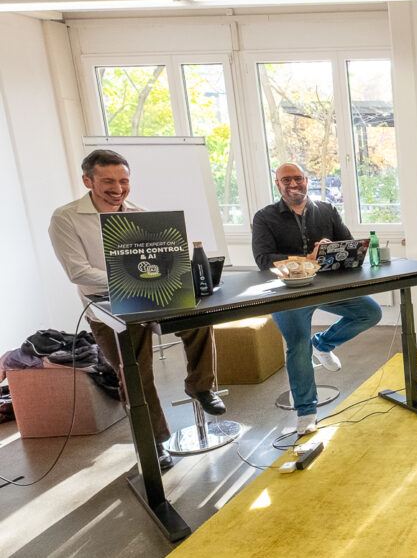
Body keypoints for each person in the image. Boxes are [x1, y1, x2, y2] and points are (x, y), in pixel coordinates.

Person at [48, 149, 226, 471]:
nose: (118, 188)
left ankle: (200, 386)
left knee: (199, 321)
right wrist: (132, 281)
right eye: (108, 181)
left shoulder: (141, 213)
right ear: (87, 180)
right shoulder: (66, 218)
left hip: (152, 298)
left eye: (124, 181)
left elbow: (159, 261)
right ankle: (155, 443)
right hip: (106, 307)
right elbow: (78, 272)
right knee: (134, 374)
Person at [252, 162, 382, 435]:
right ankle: (306, 412)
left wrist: (329, 247)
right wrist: (304, 259)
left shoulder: (327, 210)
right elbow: (263, 260)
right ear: (277, 184)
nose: (293, 184)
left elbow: (349, 246)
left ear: (307, 181)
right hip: (289, 293)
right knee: (298, 346)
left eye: (297, 178)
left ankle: (322, 344)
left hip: (325, 287)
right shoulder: (264, 217)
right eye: (286, 180)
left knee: (370, 312)